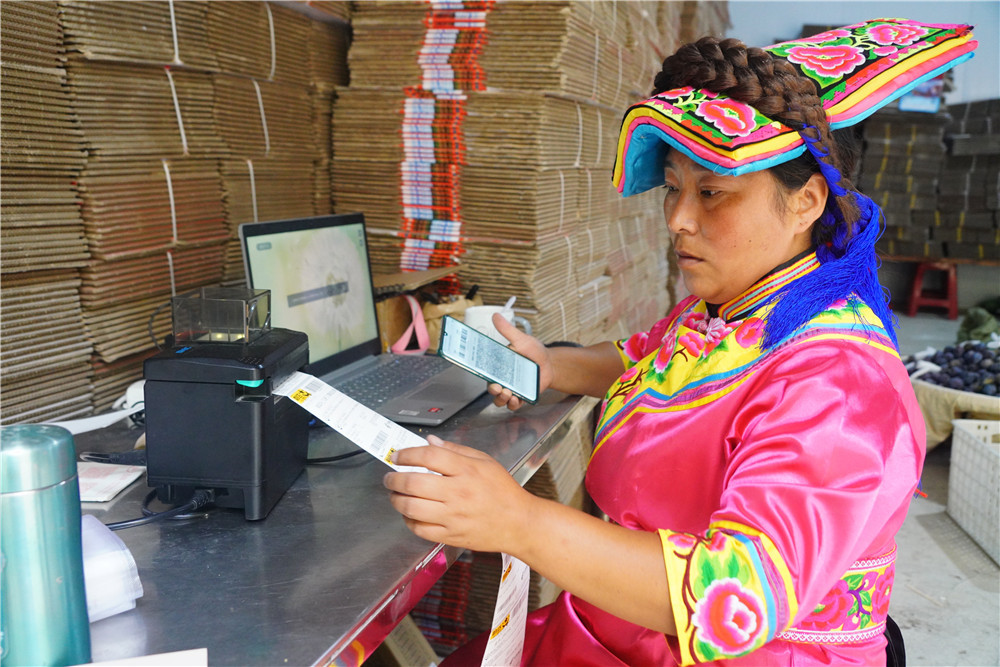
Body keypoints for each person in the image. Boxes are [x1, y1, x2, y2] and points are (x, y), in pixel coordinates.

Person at [383, 19, 977, 666]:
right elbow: (645, 357)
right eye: (673, 188)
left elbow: (734, 594)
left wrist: (519, 522)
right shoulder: (725, 308)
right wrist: (550, 364)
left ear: (805, 202)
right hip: (617, 624)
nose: (677, 219)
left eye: (712, 192)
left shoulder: (839, 379)